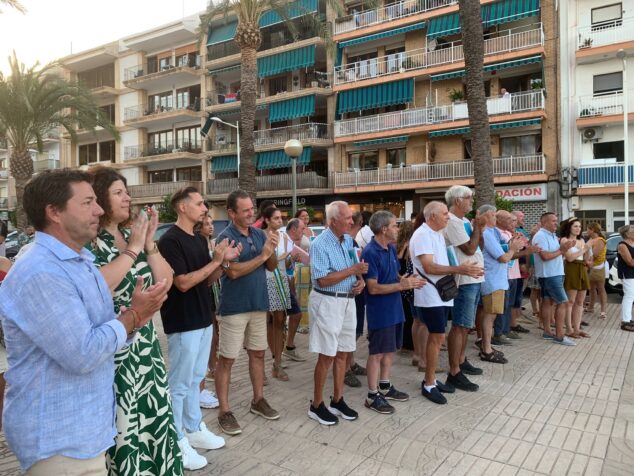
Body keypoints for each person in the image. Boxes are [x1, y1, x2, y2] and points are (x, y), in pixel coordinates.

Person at [0, 169, 168, 474]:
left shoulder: (79, 262)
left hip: (85, 431)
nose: (100, 210)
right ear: (54, 212)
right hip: (58, 438)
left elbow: (100, 325)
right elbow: (83, 352)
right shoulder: (41, 271)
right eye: (88, 202)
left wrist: (134, 314)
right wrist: (134, 316)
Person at [88, 166, 182, 475]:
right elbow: (98, 287)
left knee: (153, 416)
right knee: (125, 422)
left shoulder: (135, 236)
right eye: (118, 192)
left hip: (146, 347)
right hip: (114, 347)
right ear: (100, 199)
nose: (127, 197)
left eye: (126, 191)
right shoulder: (91, 242)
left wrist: (149, 244)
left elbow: (167, 280)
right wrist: (134, 249)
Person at [158, 187, 231, 469]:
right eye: (199, 203)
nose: (204, 208)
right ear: (182, 207)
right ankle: (175, 439)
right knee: (179, 383)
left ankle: (193, 428)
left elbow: (206, 281)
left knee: (196, 377)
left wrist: (222, 263)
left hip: (203, 317)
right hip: (183, 321)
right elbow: (183, 282)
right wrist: (214, 261)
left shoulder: (199, 240)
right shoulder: (169, 241)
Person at [214, 189, 280, 436]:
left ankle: (258, 400)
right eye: (246, 210)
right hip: (234, 308)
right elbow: (232, 271)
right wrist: (263, 255)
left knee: (258, 354)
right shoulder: (225, 238)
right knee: (227, 360)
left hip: (258, 304)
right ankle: (224, 411)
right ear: (232, 213)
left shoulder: (259, 233)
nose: (252, 213)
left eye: (252, 209)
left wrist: (271, 249)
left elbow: (271, 267)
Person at [410, 201, 483, 405]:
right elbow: (429, 266)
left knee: (438, 337)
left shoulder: (437, 234)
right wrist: (460, 270)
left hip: (439, 294)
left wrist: (464, 268)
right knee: (437, 337)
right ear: (432, 216)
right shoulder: (423, 234)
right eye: (444, 213)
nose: (448, 216)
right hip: (430, 295)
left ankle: (431, 379)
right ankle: (429, 384)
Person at [308, 201, 367, 425]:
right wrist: (353, 271)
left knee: (343, 352)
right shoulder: (320, 244)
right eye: (348, 218)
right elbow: (322, 279)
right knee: (327, 355)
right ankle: (316, 404)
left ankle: (337, 399)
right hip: (327, 302)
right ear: (333, 221)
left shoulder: (349, 240)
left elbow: (355, 267)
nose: (352, 222)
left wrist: (359, 281)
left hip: (347, 301)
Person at [362, 211, 425, 413]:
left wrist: (405, 280)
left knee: (389, 351)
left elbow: (394, 275)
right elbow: (372, 287)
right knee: (377, 353)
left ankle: (384, 386)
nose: (398, 228)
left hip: (394, 308)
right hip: (380, 312)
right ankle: (372, 396)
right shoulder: (370, 252)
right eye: (394, 225)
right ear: (384, 229)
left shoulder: (389, 248)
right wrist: (402, 285)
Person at [443, 186, 485, 390]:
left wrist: (479, 228)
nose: (471, 202)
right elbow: (469, 249)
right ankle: (454, 371)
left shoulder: (466, 221)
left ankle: (460, 359)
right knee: (460, 325)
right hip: (464, 280)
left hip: (474, 278)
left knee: (466, 325)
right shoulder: (451, 221)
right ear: (458, 201)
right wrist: (478, 227)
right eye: (469, 198)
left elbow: (478, 246)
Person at [479, 205, 523, 364]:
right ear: (484, 216)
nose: (494, 218)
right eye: (492, 215)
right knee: (490, 315)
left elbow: (501, 249)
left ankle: (487, 346)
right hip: (493, 280)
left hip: (498, 280)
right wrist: (513, 249)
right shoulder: (487, 233)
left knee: (492, 314)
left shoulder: (492, 232)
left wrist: (512, 244)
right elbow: (503, 258)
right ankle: (486, 349)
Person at [532, 212, 576, 345]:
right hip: (550, 275)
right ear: (544, 223)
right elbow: (544, 256)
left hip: (553, 274)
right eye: (553, 221)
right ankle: (560, 336)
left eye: (556, 221)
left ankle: (547, 331)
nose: (556, 223)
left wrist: (566, 248)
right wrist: (562, 250)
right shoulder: (540, 236)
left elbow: (556, 254)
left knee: (547, 302)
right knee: (562, 302)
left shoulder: (551, 236)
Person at [261, 206, 293, 380]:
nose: (280, 221)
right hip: (265, 280)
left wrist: (289, 260)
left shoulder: (284, 236)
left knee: (280, 319)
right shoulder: (261, 236)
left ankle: (277, 363)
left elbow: (286, 263)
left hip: (280, 279)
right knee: (264, 320)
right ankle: (264, 365)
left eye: (281, 218)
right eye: (275, 218)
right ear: (266, 220)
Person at [194, 215, 221, 408]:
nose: (211, 227)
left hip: (211, 293)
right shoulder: (199, 245)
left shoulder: (210, 244)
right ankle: (199, 390)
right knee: (203, 341)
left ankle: (202, 386)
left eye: (212, 223)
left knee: (212, 336)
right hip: (202, 295)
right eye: (207, 224)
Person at [492, 211, 529, 345]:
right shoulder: (497, 233)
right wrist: (520, 248)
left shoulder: (509, 233)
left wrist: (523, 246)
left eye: (513, 220)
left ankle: (505, 330)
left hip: (513, 274)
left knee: (509, 304)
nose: (513, 223)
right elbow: (506, 254)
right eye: (510, 220)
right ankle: (499, 333)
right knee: (502, 306)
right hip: (504, 274)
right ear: (499, 220)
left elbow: (517, 251)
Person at [282, 218, 309, 362]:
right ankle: (287, 348)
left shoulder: (290, 243)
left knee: (293, 315)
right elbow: (280, 265)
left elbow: (288, 269)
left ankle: (286, 347)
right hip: (281, 283)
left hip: (287, 283)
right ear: (293, 229)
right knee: (294, 315)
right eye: (302, 228)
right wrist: (289, 259)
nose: (303, 231)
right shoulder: (284, 240)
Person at [345, 211, 367, 388]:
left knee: (355, 329)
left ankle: (350, 363)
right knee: (350, 330)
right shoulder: (347, 241)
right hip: (350, 290)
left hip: (356, 288)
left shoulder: (352, 241)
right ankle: (345, 368)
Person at [561, 218, 591, 339]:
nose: (578, 228)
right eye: (575, 226)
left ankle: (577, 328)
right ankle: (569, 328)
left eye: (579, 226)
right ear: (569, 227)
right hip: (571, 268)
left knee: (580, 302)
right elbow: (570, 258)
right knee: (570, 301)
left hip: (582, 268)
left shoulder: (582, 240)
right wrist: (584, 249)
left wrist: (588, 250)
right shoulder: (564, 240)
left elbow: (586, 259)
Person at [586, 223, 608, 319]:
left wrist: (587, 261)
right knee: (591, 289)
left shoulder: (600, 240)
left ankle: (603, 311)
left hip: (598, 267)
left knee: (601, 289)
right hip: (590, 267)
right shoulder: (591, 240)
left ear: (592, 230)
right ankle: (591, 307)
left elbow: (594, 254)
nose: (586, 231)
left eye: (587, 229)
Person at [617, 225, 634, 332]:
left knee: (631, 296)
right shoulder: (622, 245)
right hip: (627, 273)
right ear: (628, 234)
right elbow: (630, 262)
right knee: (629, 296)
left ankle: (628, 318)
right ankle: (625, 321)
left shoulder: (632, 243)